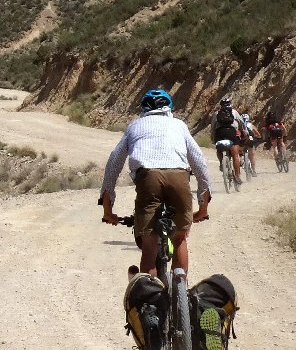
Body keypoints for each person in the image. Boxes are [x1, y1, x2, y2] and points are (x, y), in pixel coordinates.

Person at [100, 89, 211, 278]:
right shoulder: (179, 125)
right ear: (169, 108)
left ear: (143, 108)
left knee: (149, 245)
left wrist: (107, 210)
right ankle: (180, 293)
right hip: (179, 177)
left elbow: (114, 163)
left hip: (148, 178)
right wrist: (203, 206)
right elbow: (199, 162)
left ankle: (150, 298)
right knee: (180, 239)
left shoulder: (135, 126)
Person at [210, 95, 244, 186]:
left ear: (221, 105)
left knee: (219, 149)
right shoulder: (234, 112)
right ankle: (237, 176)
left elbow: (213, 127)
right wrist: (243, 132)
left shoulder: (217, 113)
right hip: (231, 132)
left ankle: (222, 162)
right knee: (235, 155)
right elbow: (241, 123)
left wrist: (213, 138)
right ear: (230, 104)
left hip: (220, 133)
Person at [240, 111, 262, 175]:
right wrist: (258, 137)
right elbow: (258, 134)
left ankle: (242, 162)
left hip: (242, 141)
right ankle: (254, 171)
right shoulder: (251, 125)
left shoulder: (239, 125)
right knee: (252, 156)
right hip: (250, 141)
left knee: (239, 152)